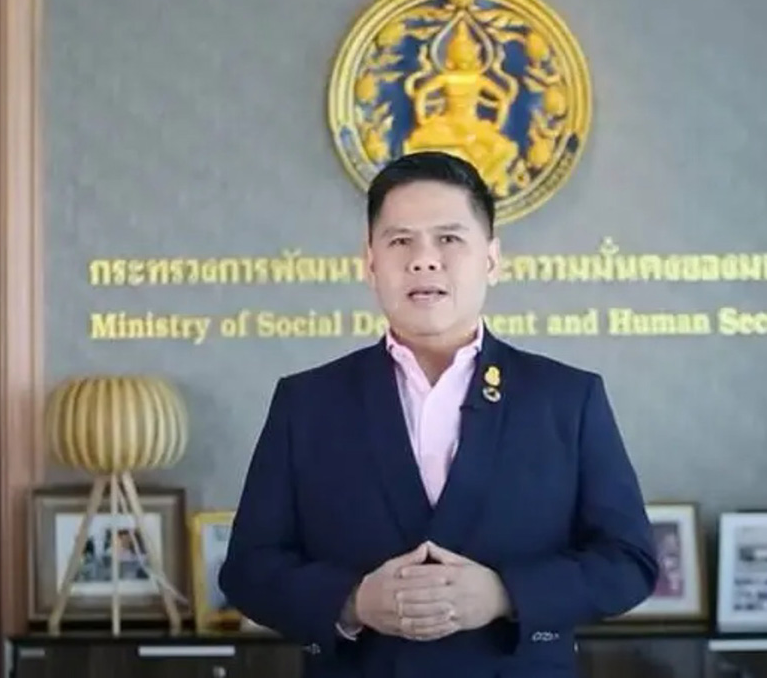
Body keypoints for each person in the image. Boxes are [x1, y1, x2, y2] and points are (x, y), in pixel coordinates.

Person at [219, 151, 658, 678]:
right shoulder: (307, 401)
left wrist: (505, 595)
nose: (424, 260)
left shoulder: (567, 398)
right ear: (370, 263)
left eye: (449, 238)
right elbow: (249, 569)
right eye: (400, 241)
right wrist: (354, 601)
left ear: (491, 260)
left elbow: (628, 561)